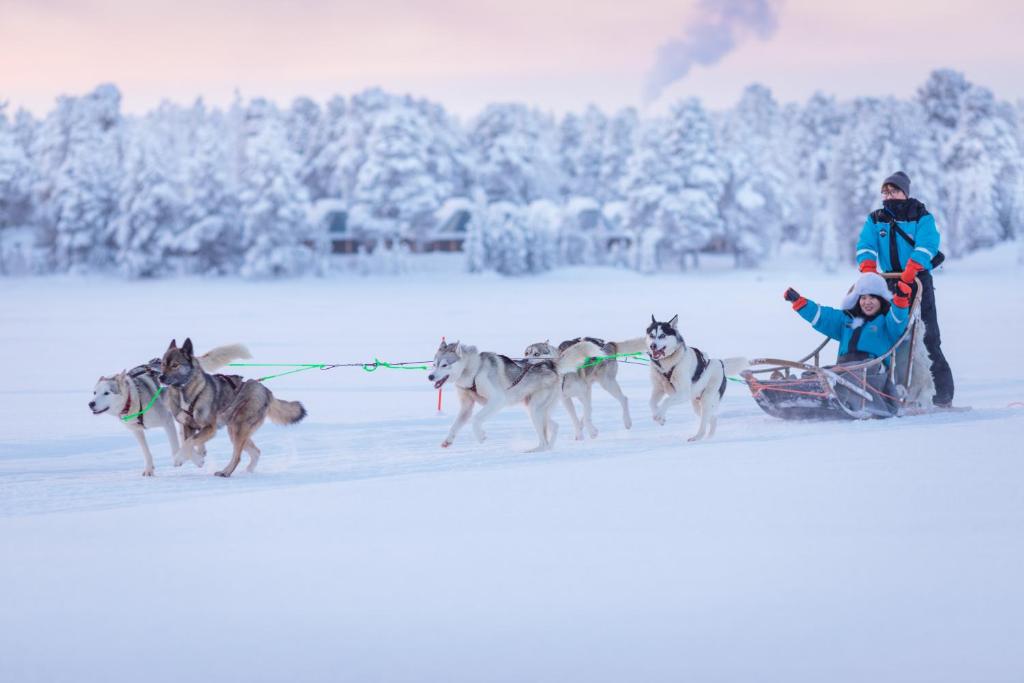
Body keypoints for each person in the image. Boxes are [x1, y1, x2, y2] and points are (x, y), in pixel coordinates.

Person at [854, 171, 954, 407]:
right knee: (883, 333)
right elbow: (865, 244)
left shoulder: (920, 215)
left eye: (894, 190)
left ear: (904, 192)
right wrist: (868, 266)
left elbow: (927, 243)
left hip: (917, 280)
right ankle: (886, 388)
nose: (889, 195)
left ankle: (942, 395)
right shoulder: (876, 218)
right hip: (887, 282)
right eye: (885, 191)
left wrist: (912, 268)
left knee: (928, 337)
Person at [784, 272, 912, 365]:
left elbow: (898, 319)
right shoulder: (847, 320)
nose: (867, 302)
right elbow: (824, 316)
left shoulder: (887, 323)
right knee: (820, 375)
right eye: (863, 298)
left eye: (872, 297)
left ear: (882, 300)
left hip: (873, 372)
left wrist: (900, 300)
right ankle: (795, 388)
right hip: (844, 369)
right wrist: (800, 302)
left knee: (835, 379)